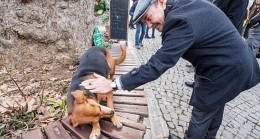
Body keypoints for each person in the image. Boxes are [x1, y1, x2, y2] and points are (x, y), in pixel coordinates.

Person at [81, 0, 260, 138]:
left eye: (148, 18)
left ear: (160, 2)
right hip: (230, 64)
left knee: (202, 110)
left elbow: (157, 64)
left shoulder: (180, 20)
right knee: (216, 106)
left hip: (226, 70)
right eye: (145, 22)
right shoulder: (182, 7)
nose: (149, 25)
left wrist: (114, 84)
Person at [185, 0, 249, 88]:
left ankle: (206, 88)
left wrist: (218, 32)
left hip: (222, 35)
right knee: (205, 60)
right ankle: (198, 83)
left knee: (215, 64)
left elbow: (234, 19)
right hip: (215, 30)